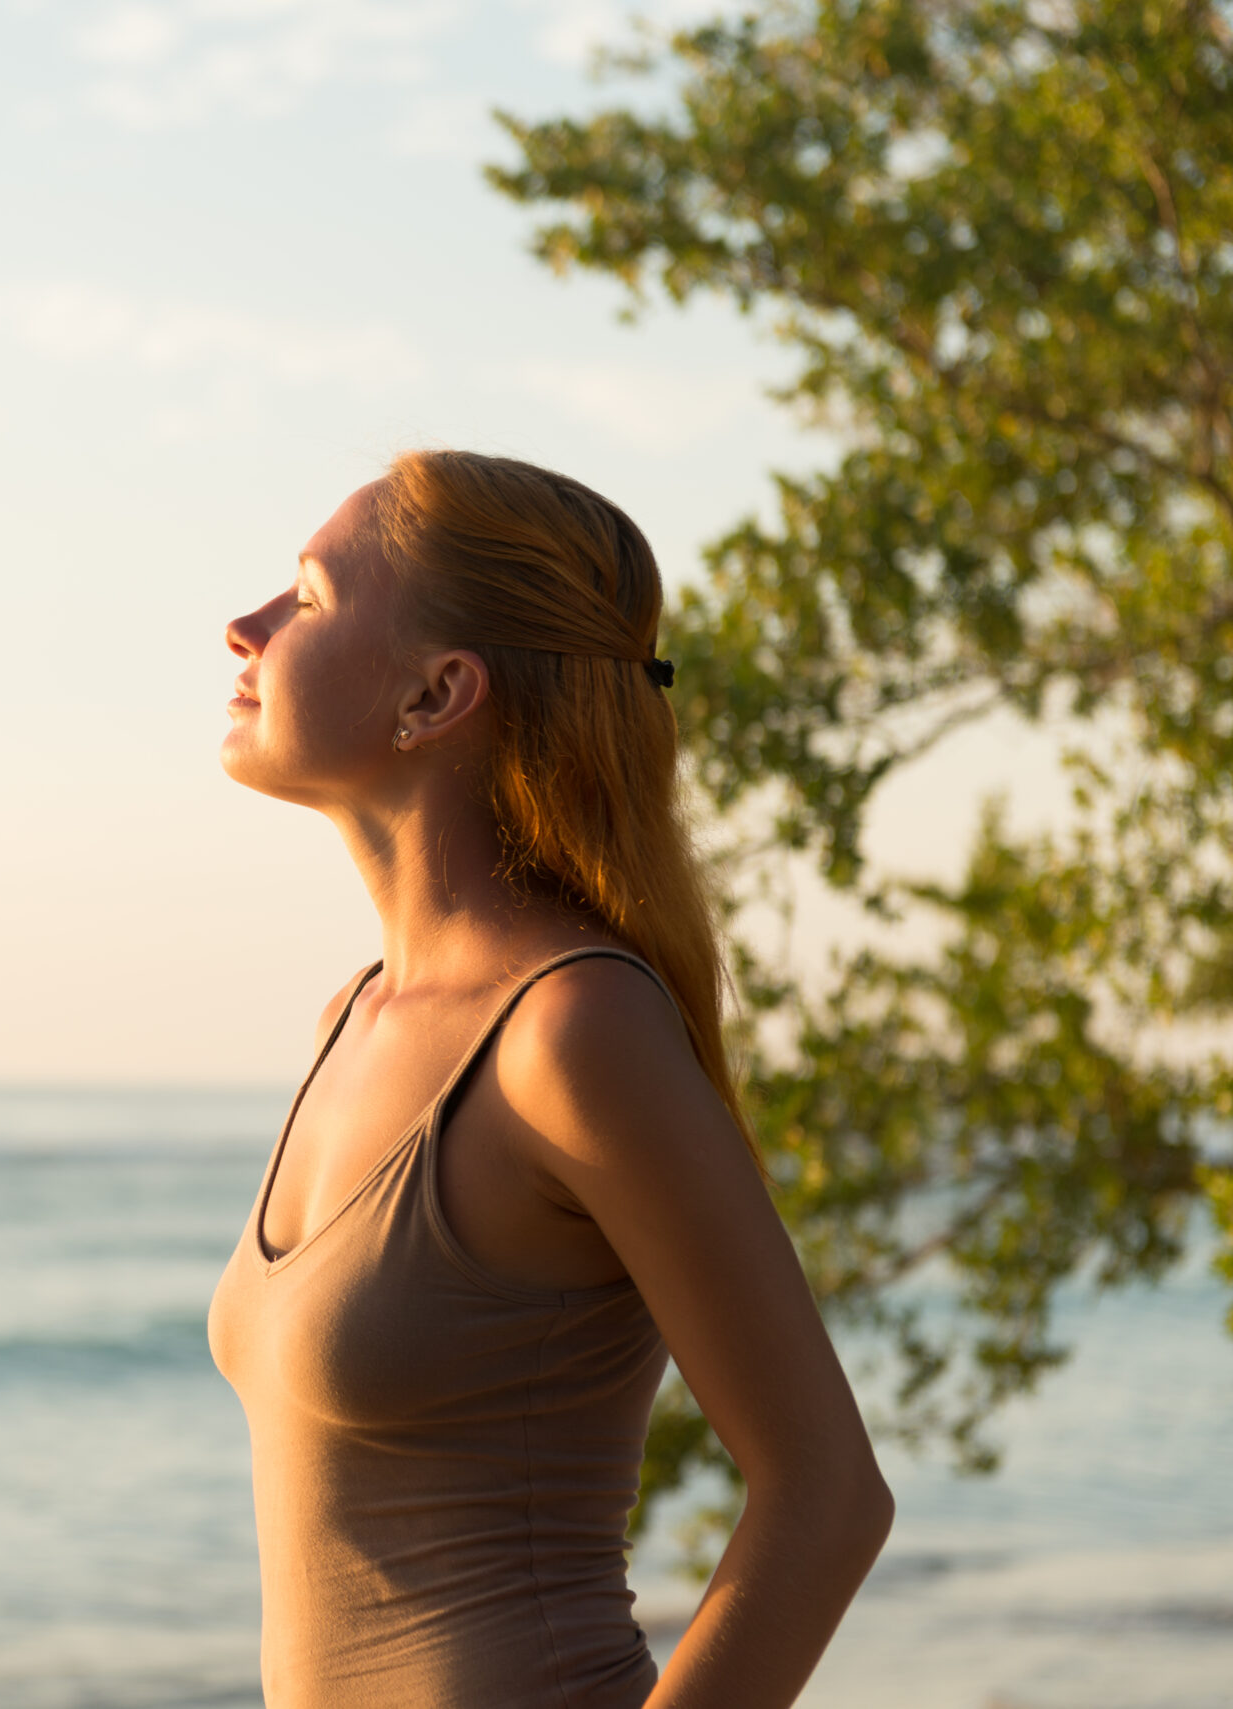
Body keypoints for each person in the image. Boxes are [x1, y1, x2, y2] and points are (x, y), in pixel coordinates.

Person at [206, 451, 892, 1708]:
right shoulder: (348, 1019)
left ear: (436, 691)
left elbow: (828, 1492)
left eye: (304, 599)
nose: (242, 626)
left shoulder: (569, 1030)